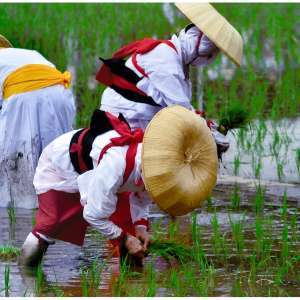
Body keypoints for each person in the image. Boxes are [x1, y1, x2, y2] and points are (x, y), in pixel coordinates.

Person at [19, 105, 219, 267]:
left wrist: (140, 228)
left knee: (130, 229)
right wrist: (124, 238)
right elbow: (93, 215)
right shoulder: (115, 167)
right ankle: (26, 274)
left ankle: (126, 284)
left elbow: (141, 196)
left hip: (103, 172)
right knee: (51, 224)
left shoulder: (158, 167)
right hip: (58, 166)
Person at [96, 3, 243, 131]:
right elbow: (181, 110)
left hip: (138, 117)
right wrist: (209, 130)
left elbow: (184, 110)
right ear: (200, 49)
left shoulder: (177, 61)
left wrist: (210, 126)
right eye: (210, 55)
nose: (209, 60)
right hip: (121, 118)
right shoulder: (166, 58)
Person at [0, 34, 76, 209]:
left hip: (27, 97)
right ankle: (62, 207)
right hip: (61, 94)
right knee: (55, 156)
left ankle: (22, 210)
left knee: (15, 158)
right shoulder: (27, 54)